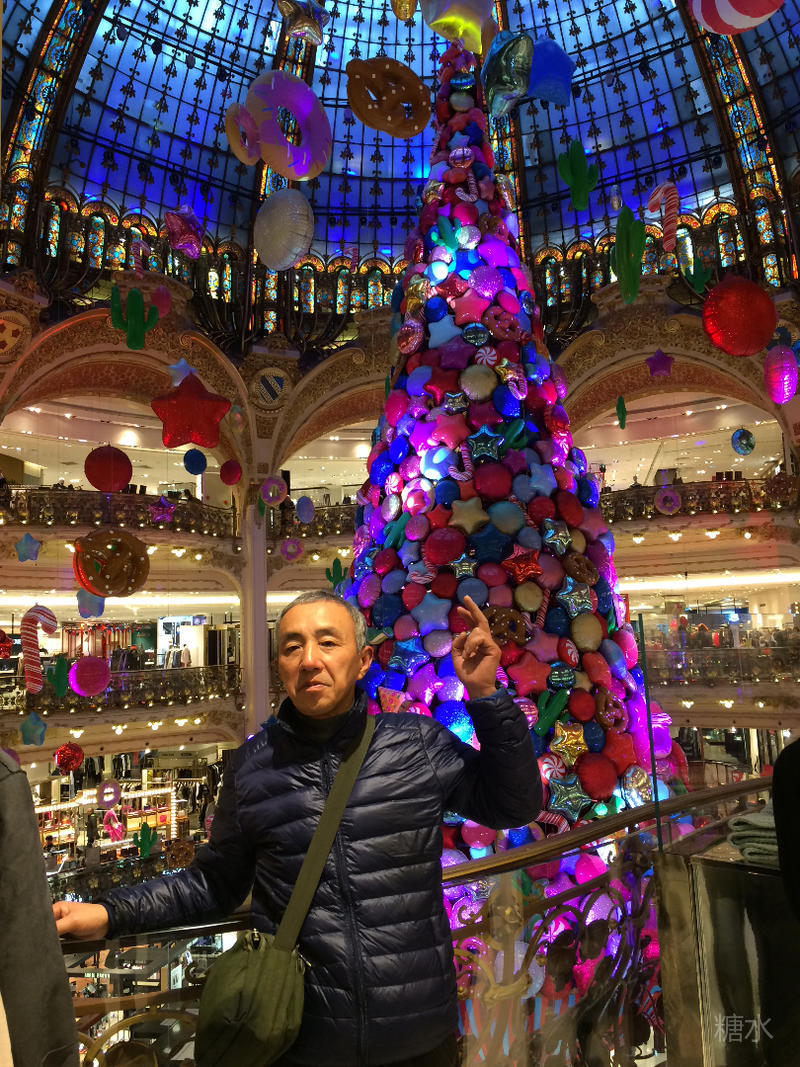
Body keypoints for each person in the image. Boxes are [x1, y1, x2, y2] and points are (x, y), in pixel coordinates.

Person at [53, 591, 542, 1067]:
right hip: (305, 1041)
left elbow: (514, 804)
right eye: (292, 647)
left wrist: (486, 694)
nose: (310, 660)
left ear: (363, 661)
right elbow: (214, 883)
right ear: (280, 666)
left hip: (419, 1038)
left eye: (328, 642)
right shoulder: (253, 768)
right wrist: (110, 912)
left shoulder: (416, 745)